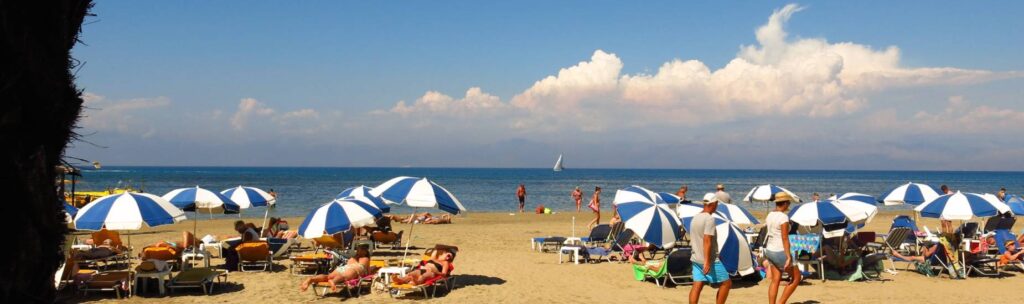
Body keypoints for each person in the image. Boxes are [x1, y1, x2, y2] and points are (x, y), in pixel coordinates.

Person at [689, 193, 731, 304]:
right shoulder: (709, 219)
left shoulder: (695, 217)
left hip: (695, 257)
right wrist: (707, 262)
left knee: (697, 285)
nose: (717, 206)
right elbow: (707, 241)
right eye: (717, 204)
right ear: (713, 204)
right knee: (726, 283)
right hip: (708, 260)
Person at [764, 192, 800, 304]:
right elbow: (785, 238)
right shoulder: (783, 217)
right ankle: (781, 302)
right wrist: (788, 256)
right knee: (796, 279)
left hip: (769, 250)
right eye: (788, 202)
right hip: (780, 251)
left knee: (775, 279)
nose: (789, 205)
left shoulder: (770, 215)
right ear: (784, 203)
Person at [300, 244, 373, 292]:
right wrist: (369, 273)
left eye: (359, 249)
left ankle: (311, 279)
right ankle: (333, 281)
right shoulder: (366, 258)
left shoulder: (352, 258)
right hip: (353, 270)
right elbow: (368, 272)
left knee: (328, 276)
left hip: (342, 268)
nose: (358, 250)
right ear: (365, 252)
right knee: (344, 277)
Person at [392, 246, 456, 285]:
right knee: (411, 274)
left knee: (423, 276)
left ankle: (416, 282)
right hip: (422, 269)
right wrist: (443, 250)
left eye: (450, 257)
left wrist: (435, 271)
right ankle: (399, 280)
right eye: (448, 255)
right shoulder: (433, 258)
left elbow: (444, 274)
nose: (448, 257)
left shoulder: (445, 263)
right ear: (444, 253)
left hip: (432, 273)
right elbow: (436, 249)